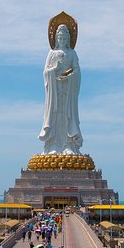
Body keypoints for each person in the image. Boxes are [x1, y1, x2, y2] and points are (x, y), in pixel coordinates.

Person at [38, 22, 82, 154]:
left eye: (64, 39)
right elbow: (45, 72)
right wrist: (53, 70)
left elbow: (77, 71)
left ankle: (69, 145)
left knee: (68, 116)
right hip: (55, 92)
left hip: (67, 92)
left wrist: (70, 76)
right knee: (55, 117)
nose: (62, 41)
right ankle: (54, 146)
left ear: (68, 40)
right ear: (56, 39)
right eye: (60, 38)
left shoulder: (72, 53)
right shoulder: (52, 53)